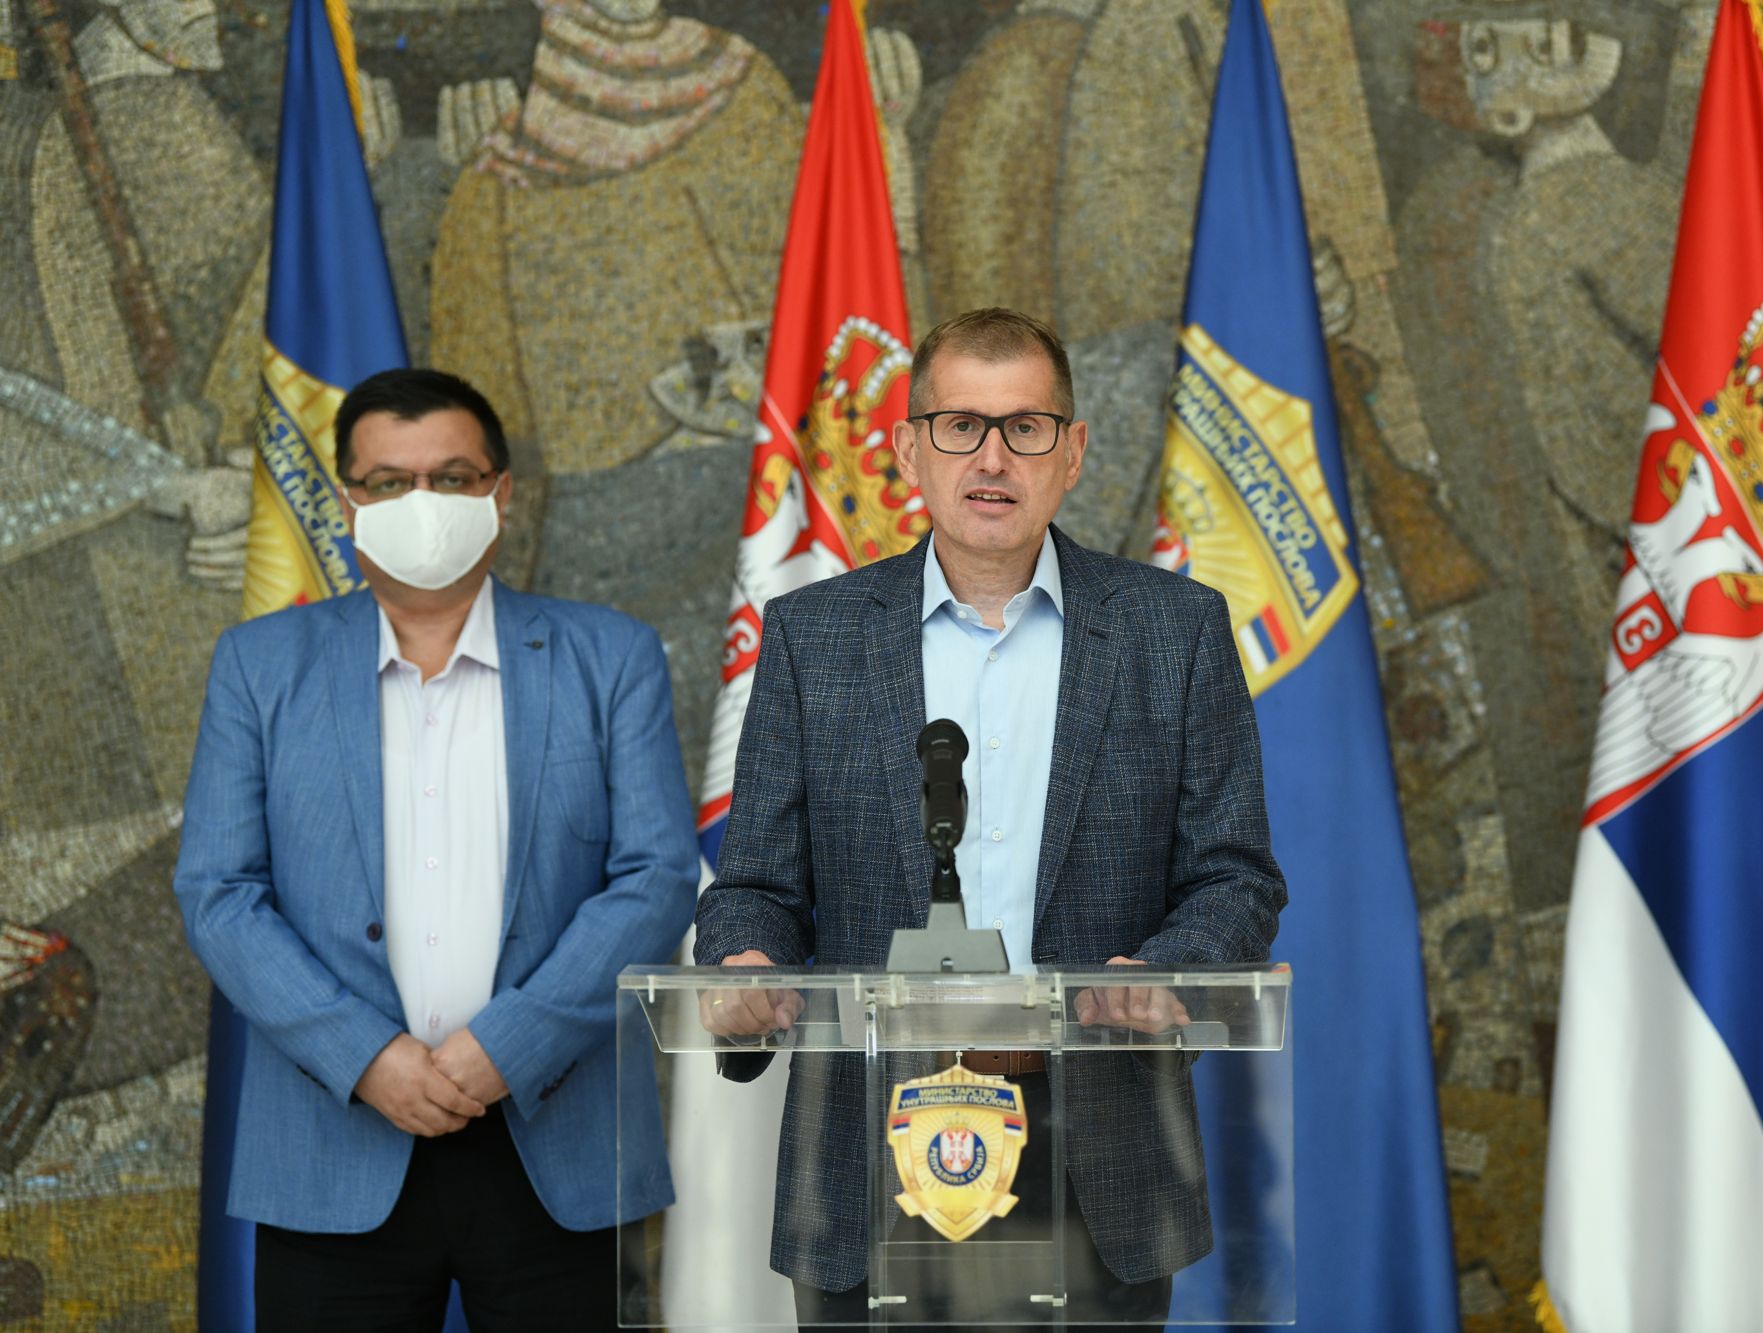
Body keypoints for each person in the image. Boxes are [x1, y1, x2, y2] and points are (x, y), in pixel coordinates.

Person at [693, 308, 1286, 1327]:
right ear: (909, 448)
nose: (992, 456)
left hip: (1099, 1129)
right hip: (868, 1135)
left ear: (1073, 452)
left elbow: (1234, 875)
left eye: (1025, 427)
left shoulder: (1172, 630)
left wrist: (1160, 972)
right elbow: (754, 882)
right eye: (960, 425)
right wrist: (743, 957)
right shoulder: (813, 636)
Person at [173, 368, 700, 1329]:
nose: (421, 503)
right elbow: (219, 891)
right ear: (346, 504)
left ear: (500, 493)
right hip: (336, 1138)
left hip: (557, 1134)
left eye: (452, 477)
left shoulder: (610, 656)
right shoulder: (259, 666)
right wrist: (366, 1056)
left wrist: (507, 1047)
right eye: (387, 481)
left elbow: (656, 877)